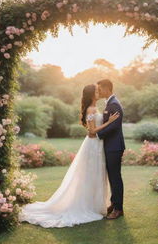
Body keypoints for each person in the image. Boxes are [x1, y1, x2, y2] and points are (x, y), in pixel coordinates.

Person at [18, 83, 119, 228]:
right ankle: (86, 206)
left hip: (97, 145)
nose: (99, 92)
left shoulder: (95, 108)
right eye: (96, 91)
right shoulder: (91, 109)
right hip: (92, 145)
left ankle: (94, 206)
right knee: (89, 176)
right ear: (91, 94)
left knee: (95, 175)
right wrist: (109, 122)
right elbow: (92, 132)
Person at [88, 79, 125, 220]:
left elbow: (114, 126)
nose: (99, 92)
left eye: (100, 89)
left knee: (115, 177)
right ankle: (114, 204)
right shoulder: (110, 103)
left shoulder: (114, 104)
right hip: (111, 146)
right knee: (112, 177)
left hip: (114, 147)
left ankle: (118, 209)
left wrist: (97, 134)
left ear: (106, 88)